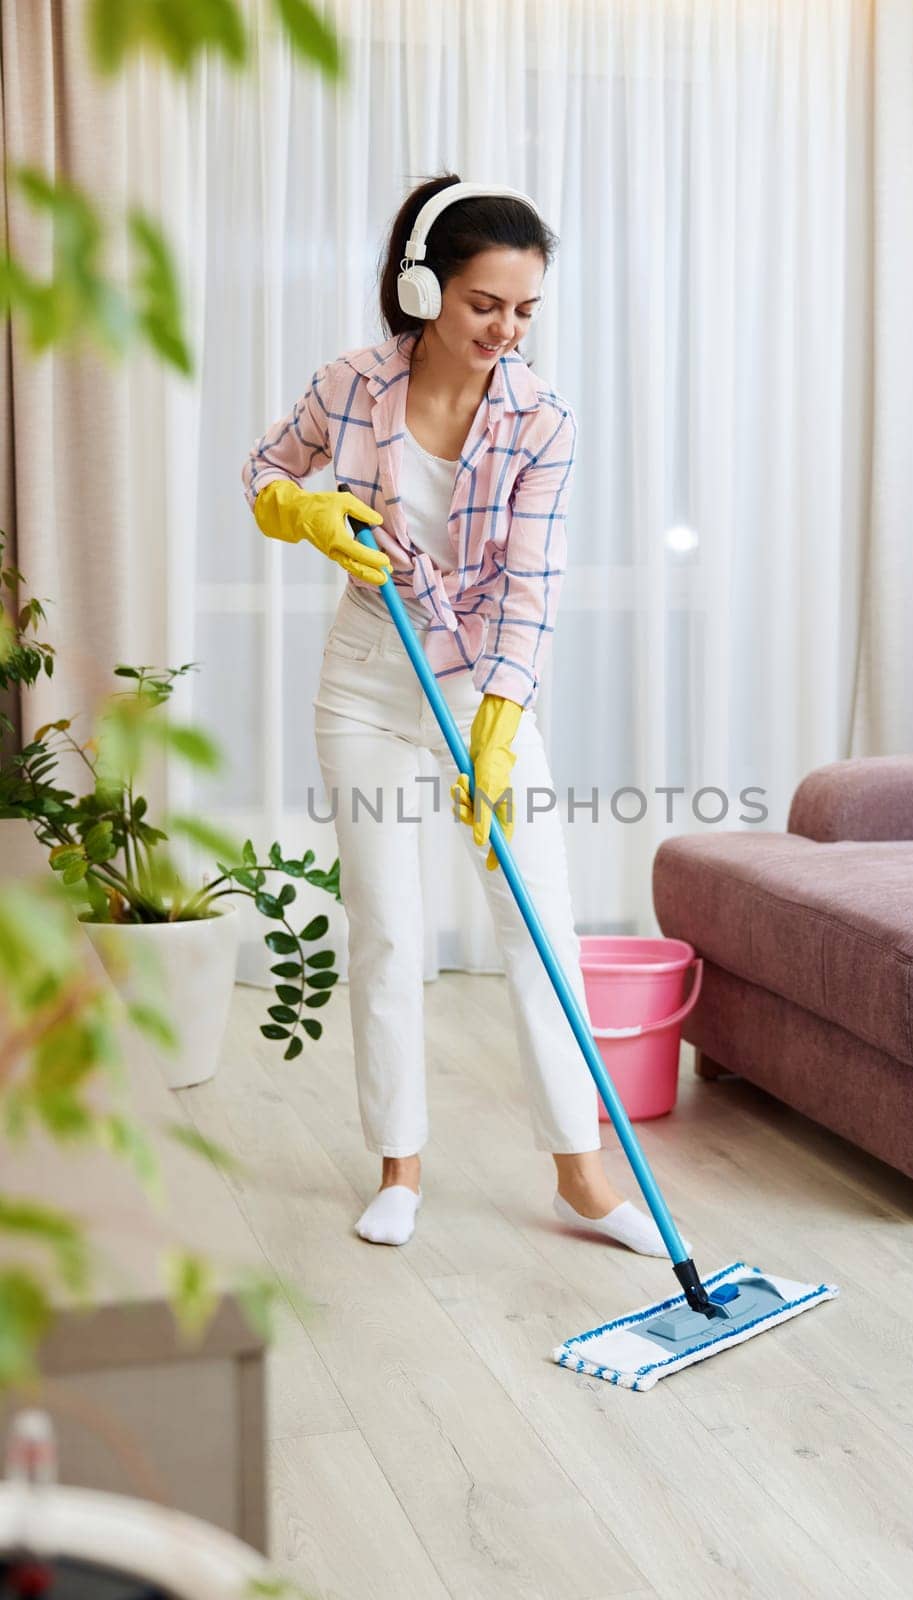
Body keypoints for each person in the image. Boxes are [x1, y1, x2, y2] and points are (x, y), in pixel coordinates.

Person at [241, 173, 689, 1258]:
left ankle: (581, 1174)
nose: (506, 328)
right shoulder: (349, 385)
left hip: (479, 685)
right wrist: (299, 509)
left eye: (526, 308)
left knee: (540, 929)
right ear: (424, 286)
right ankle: (398, 1166)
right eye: (486, 302)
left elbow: (533, 586)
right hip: (365, 679)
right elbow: (265, 471)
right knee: (389, 929)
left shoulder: (542, 420)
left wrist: (498, 723)